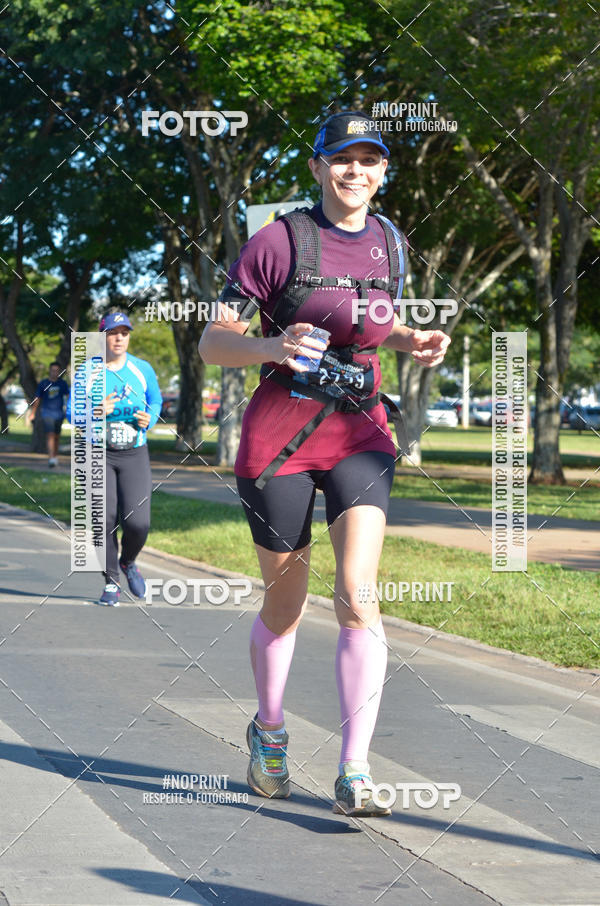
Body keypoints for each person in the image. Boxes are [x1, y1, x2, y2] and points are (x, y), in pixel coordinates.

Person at [199, 110, 451, 816]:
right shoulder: (278, 241)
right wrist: (271, 347)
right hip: (278, 440)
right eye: (342, 158)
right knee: (285, 603)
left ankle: (355, 771)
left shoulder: (390, 242)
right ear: (317, 166)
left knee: (357, 592)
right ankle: (269, 728)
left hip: (360, 431)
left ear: (383, 170)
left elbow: (370, 324)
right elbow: (214, 343)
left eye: (369, 160)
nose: (355, 172)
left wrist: (411, 339)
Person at [67, 312, 162, 606]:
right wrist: (95, 412)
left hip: (134, 453)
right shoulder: (87, 371)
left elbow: (156, 400)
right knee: (103, 519)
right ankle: (111, 582)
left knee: (138, 523)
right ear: (102, 337)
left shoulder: (141, 369)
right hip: (98, 453)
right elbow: (71, 413)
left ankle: (128, 561)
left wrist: (150, 418)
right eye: (112, 333)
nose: (119, 338)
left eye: (124, 333)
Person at [29, 362, 70, 467]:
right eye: (53, 370)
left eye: (56, 371)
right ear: (49, 371)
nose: (54, 373)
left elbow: (68, 397)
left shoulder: (62, 384)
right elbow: (37, 399)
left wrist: (69, 410)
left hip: (59, 414)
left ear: (59, 372)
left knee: (56, 436)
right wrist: (32, 413)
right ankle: (51, 458)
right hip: (47, 413)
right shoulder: (44, 383)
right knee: (50, 434)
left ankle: (55, 456)